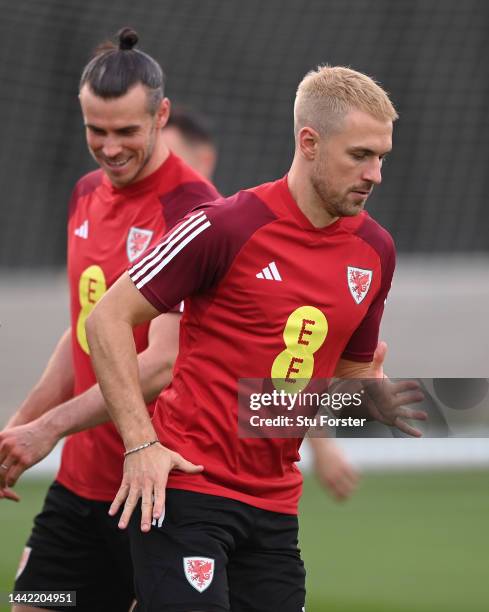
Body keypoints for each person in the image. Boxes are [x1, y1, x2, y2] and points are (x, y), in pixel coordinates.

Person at [85, 66, 426, 611]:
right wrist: (141, 444)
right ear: (309, 143)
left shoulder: (376, 251)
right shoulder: (226, 226)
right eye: (360, 155)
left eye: (382, 156)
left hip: (275, 508)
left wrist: (369, 396)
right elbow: (106, 319)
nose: (376, 174)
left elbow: (326, 384)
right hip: (187, 491)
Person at [0, 28, 220, 612]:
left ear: (161, 114)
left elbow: (161, 363)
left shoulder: (192, 211)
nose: (111, 147)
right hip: (79, 488)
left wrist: (48, 429)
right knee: (33, 604)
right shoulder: (83, 194)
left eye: (127, 131)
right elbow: (80, 337)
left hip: (157, 492)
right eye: (96, 131)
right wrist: (19, 431)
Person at [163, 107, 359, 501]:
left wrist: (319, 443)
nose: (160, 174)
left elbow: (281, 364)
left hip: (185, 466)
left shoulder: (226, 234)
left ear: (204, 161)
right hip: (124, 454)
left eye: (168, 160)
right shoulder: (116, 213)